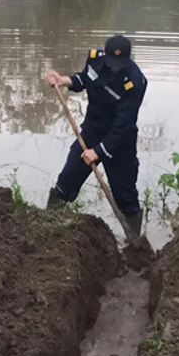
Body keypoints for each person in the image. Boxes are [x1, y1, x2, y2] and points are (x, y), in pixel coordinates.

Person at [45, 35, 149, 235]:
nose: (115, 68)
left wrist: (99, 152)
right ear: (105, 54)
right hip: (92, 131)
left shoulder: (135, 82)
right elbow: (85, 79)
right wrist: (64, 80)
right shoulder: (95, 58)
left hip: (119, 143)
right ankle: (48, 228)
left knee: (125, 196)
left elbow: (124, 124)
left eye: (120, 65)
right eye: (112, 64)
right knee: (66, 181)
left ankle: (134, 241)